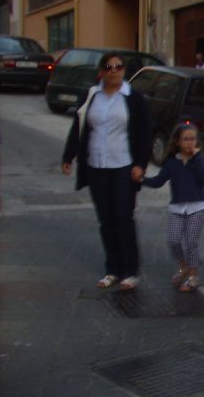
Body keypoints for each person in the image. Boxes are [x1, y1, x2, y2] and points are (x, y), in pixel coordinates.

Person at [61, 52, 151, 292]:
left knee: (123, 217)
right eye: (108, 67)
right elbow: (79, 126)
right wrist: (68, 155)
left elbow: (144, 134)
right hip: (96, 165)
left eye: (118, 66)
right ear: (101, 71)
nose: (114, 70)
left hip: (123, 165)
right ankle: (113, 269)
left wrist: (140, 164)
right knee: (106, 220)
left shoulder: (133, 98)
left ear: (124, 70)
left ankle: (130, 271)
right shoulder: (91, 96)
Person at [140, 123, 204, 292]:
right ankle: (183, 266)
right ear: (177, 142)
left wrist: (197, 157)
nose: (189, 143)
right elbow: (159, 181)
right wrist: (142, 179)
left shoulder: (200, 159)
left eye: (192, 139)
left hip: (197, 205)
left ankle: (193, 275)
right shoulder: (172, 162)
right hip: (177, 207)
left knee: (191, 241)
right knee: (173, 240)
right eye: (185, 140)